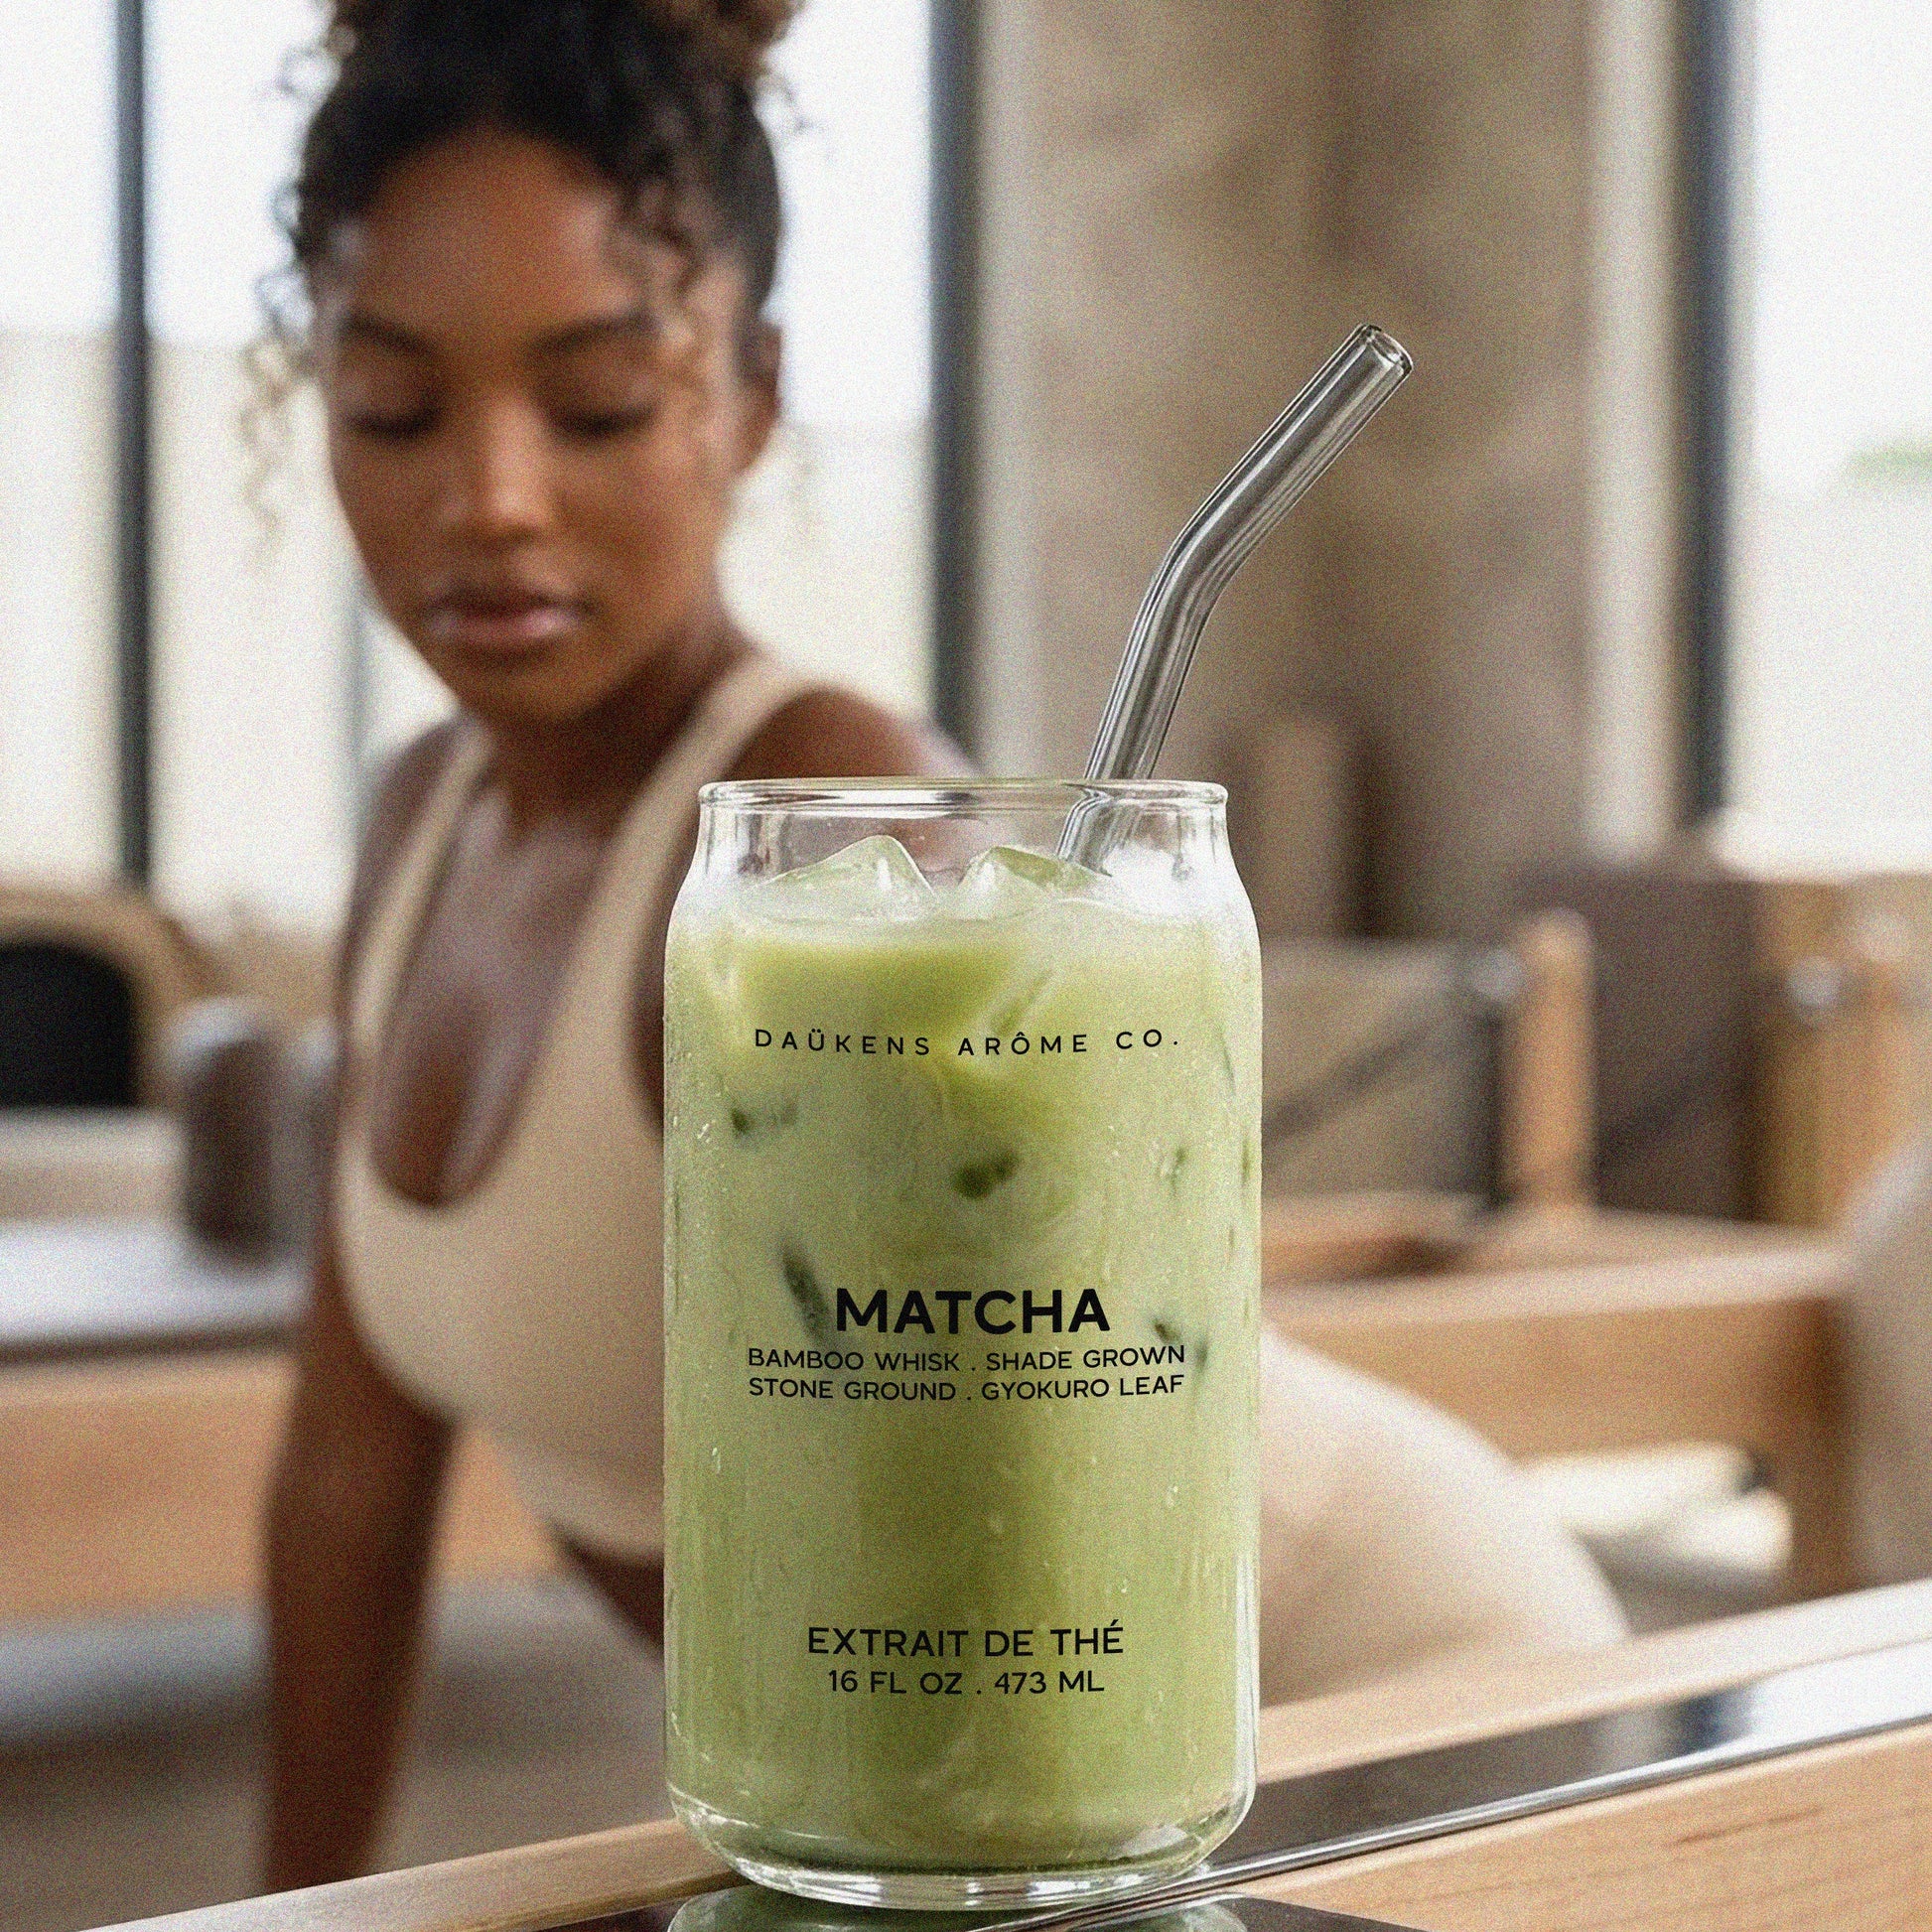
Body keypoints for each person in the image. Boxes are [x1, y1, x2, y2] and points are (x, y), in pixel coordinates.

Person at [263, 0, 1621, 1890]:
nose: (489, 495)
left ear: (748, 393)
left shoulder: (822, 833)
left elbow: (979, 1398)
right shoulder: (423, 821)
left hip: (1322, 1677)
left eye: (594, 403)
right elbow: (348, 1471)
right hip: (946, 1783)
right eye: (396, 405)